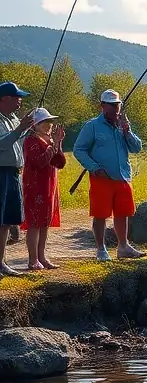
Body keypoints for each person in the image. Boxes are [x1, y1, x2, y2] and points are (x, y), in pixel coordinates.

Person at [73, 89, 146, 261]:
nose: (115, 109)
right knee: (100, 214)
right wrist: (94, 167)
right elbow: (79, 150)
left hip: (122, 176)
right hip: (101, 178)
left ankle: (123, 247)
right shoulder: (91, 126)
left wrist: (127, 131)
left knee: (123, 213)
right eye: (111, 105)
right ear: (102, 106)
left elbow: (137, 148)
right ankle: (101, 249)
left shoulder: (122, 125)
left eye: (117, 105)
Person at [20, 108, 65, 270]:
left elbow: (59, 163)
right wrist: (51, 147)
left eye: (49, 122)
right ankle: (33, 260)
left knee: (44, 223)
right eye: (44, 122)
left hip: (49, 186)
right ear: (35, 125)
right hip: (35, 187)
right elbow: (39, 162)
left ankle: (42, 257)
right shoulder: (30, 141)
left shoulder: (49, 141)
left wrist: (58, 143)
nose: (48, 125)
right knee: (34, 224)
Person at [0, 81, 34, 276]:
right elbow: (2, 145)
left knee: (6, 220)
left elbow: (16, 143)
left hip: (13, 173)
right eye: (17, 97)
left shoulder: (12, 119)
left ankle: (2, 262)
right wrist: (18, 130)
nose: (20, 101)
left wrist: (26, 128)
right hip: (1, 173)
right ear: (5, 99)